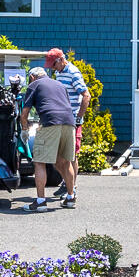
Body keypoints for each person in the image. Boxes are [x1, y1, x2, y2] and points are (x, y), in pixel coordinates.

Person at [19, 65, 78, 210]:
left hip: (50, 123)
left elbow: (24, 113)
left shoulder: (34, 85)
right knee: (65, 162)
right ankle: (70, 197)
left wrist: (25, 130)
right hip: (70, 124)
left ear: (32, 77)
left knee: (39, 162)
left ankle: (40, 202)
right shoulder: (59, 84)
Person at [45, 48, 90, 197]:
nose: (52, 68)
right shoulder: (59, 73)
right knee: (59, 156)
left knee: (71, 155)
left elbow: (86, 95)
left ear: (60, 60)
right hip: (61, 119)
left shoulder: (73, 73)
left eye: (53, 64)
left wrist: (78, 117)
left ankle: (72, 187)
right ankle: (66, 183)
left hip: (72, 120)